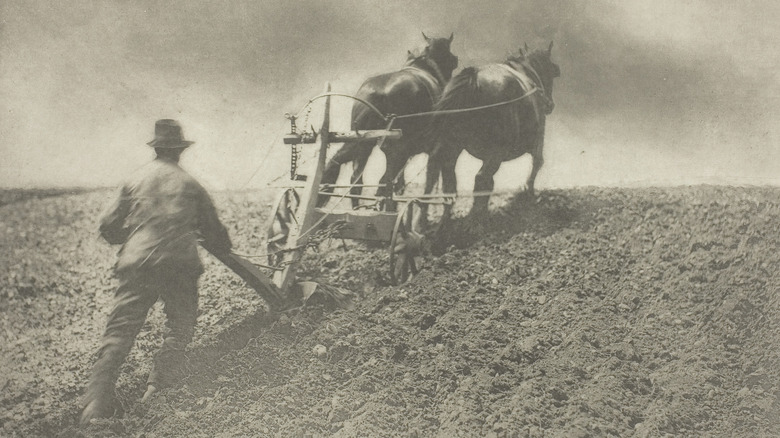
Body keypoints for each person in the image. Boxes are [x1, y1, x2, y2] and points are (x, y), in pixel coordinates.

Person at [80, 119, 233, 425]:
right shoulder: (192, 185)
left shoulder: (135, 180)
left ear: (156, 148)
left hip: (137, 266)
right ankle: (155, 393)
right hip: (179, 266)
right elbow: (217, 237)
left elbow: (107, 227)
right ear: (179, 151)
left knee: (119, 333)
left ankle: (94, 408)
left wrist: (136, 238)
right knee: (179, 328)